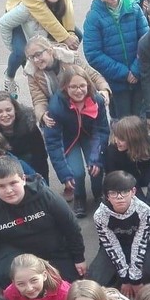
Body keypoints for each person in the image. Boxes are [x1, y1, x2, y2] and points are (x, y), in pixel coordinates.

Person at [0, 157, 86, 287]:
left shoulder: (46, 196)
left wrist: (79, 258)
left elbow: (71, 227)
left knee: (70, 285)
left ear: (23, 179)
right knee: (1, 276)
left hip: (53, 250)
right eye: (1, 186)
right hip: (17, 255)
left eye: (13, 183)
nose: (9, 190)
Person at [83, 0, 150, 119]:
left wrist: (135, 69)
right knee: (122, 120)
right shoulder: (93, 18)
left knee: (140, 119)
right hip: (116, 82)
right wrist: (124, 73)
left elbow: (146, 40)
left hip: (138, 76)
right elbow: (93, 53)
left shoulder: (134, 8)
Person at [43, 68, 111, 217]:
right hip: (68, 139)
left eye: (82, 86)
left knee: (96, 166)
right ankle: (79, 197)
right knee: (76, 172)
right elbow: (53, 142)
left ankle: (98, 193)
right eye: (73, 87)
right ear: (65, 88)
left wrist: (96, 157)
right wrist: (64, 174)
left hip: (90, 136)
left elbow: (101, 130)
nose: (78, 91)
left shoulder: (97, 100)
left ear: (88, 85)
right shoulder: (56, 106)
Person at [90, 171, 150, 296]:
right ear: (107, 196)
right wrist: (125, 279)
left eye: (124, 192)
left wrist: (135, 280)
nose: (119, 197)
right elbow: (111, 245)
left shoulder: (144, 210)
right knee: (95, 279)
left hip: (140, 244)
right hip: (115, 246)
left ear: (133, 191)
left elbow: (140, 243)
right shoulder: (100, 215)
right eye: (113, 193)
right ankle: (120, 274)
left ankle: (133, 272)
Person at [0, 0, 74, 84]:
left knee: (75, 35)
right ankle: (9, 78)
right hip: (18, 26)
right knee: (20, 53)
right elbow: (3, 23)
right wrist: (12, 47)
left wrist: (68, 38)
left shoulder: (62, 3)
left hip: (42, 36)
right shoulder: (27, 9)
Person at [22, 36, 110, 129]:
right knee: (50, 126)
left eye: (38, 54)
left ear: (50, 51)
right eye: (31, 57)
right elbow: (38, 99)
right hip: (57, 109)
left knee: (97, 102)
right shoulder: (32, 73)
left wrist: (105, 90)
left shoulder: (69, 58)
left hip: (80, 102)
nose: (35, 60)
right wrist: (42, 115)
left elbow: (93, 76)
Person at [0, 91, 49, 182]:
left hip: (25, 162)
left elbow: (40, 156)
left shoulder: (28, 124)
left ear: (15, 109)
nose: (5, 115)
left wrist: (42, 183)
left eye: (8, 110)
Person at [104, 117, 150, 197]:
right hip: (125, 181)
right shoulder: (112, 151)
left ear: (134, 139)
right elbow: (112, 179)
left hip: (146, 177)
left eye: (122, 139)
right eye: (116, 136)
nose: (116, 141)